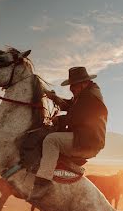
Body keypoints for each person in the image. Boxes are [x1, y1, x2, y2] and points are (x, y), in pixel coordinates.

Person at [30, 66, 108, 201]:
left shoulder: (89, 98)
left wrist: (58, 118)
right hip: (87, 139)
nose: (71, 88)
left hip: (86, 141)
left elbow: (77, 115)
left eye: (74, 85)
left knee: (51, 140)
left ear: (84, 83)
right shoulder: (86, 94)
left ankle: (43, 182)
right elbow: (70, 105)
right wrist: (53, 97)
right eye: (71, 85)